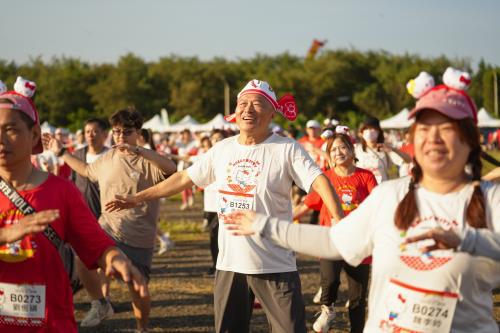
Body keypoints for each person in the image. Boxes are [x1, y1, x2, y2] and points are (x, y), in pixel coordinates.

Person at [225, 69, 500, 333]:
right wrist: (265, 226)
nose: (434, 139)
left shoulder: (491, 199)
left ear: (470, 139)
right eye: (424, 130)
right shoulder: (391, 195)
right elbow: (335, 241)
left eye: (447, 129)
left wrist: (467, 242)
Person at [106, 79, 344, 333]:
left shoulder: (286, 148)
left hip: (275, 264)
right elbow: (185, 178)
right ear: (235, 112)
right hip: (230, 264)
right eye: (242, 104)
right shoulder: (223, 149)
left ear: (272, 112)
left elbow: (319, 181)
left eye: (257, 104)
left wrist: (340, 221)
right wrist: (138, 197)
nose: (248, 110)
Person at [0, 76, 146, 333]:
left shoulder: (61, 191)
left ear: (34, 134)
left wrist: (116, 259)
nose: (1, 139)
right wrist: (5, 235)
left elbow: (95, 244)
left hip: (50, 323)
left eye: (10, 129)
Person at [44, 107, 176, 333]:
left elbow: (172, 169)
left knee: (138, 289)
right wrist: (61, 152)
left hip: (139, 236)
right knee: (81, 257)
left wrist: (138, 150)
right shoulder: (108, 158)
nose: (121, 137)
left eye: (127, 132)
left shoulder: (147, 160)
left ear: (138, 133)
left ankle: (142, 327)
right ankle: (100, 303)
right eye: (117, 132)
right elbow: (86, 170)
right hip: (107, 228)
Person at [294, 128, 377, 332]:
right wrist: (274, 224)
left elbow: (378, 204)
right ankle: (328, 309)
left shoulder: (366, 177)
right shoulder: (325, 178)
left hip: (359, 243)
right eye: (333, 150)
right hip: (331, 241)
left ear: (351, 149)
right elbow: (305, 206)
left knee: (357, 298)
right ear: (329, 155)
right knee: (330, 281)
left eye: (342, 147)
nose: (338, 152)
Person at [70, 117, 114, 328]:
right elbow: (71, 182)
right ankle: (99, 302)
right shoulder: (77, 155)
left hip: (104, 214)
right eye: (87, 131)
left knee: (103, 259)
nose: (90, 134)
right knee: (81, 259)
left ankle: (104, 299)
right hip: (80, 214)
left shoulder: (110, 156)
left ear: (105, 134)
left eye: (95, 131)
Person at [137, 128, 174, 255]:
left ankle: (163, 239)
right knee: (148, 218)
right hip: (148, 188)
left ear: (141, 137)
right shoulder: (145, 149)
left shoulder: (146, 150)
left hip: (149, 188)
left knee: (148, 218)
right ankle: (163, 239)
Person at [355, 117, 411, 183]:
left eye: (373, 129)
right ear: (362, 132)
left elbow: (408, 160)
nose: (370, 131)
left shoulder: (385, 149)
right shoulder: (356, 149)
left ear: (379, 132)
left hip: (381, 189)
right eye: (367, 129)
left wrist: (393, 149)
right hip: (363, 190)